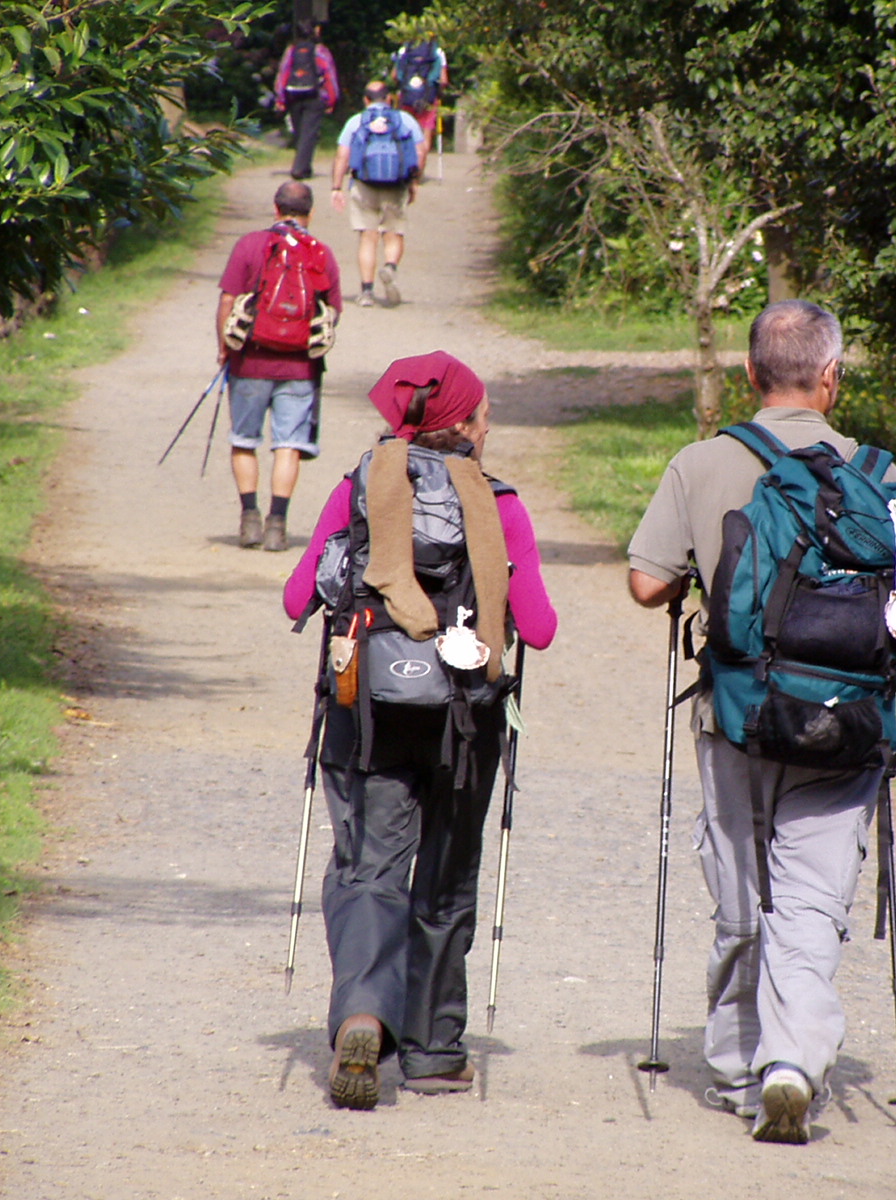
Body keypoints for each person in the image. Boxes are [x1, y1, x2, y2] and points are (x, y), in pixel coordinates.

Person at [626, 300, 896, 1146]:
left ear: (750, 374)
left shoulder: (704, 462)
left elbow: (646, 584)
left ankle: (740, 1064)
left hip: (740, 715)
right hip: (848, 723)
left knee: (743, 901)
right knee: (813, 904)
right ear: (831, 379)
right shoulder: (879, 475)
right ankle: (793, 1063)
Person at [282, 351, 558, 1109]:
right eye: (485, 412)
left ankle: (363, 1014)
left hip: (366, 712)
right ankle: (435, 1053)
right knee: (445, 874)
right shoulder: (498, 503)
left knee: (370, 867)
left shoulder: (360, 487)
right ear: (465, 423)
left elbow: (296, 595)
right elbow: (539, 625)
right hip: (465, 721)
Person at [216, 181, 341, 552]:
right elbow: (332, 313)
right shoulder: (320, 253)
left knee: (244, 441)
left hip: (249, 362)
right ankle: (277, 525)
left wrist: (224, 348)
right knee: (288, 445)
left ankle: (249, 519)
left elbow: (227, 301)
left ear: (276, 209)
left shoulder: (250, 245)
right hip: (300, 368)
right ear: (310, 213)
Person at [330, 81, 422, 308]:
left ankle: (367, 292)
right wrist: (413, 182)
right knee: (393, 233)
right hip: (396, 184)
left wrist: (336, 187)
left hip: (364, 184)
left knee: (367, 237)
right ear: (389, 98)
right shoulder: (405, 120)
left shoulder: (356, 121)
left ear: (366, 100)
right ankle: (390, 267)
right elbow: (419, 151)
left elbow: (343, 155)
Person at [273, 23, 340, 181]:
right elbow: (330, 75)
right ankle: (299, 168)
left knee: (300, 132)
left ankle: (305, 167)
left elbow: (283, 74)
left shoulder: (291, 51)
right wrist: (332, 100)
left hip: (293, 96)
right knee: (309, 133)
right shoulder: (321, 51)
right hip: (315, 97)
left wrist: (280, 98)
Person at [390, 36, 448, 177]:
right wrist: (438, 91)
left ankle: (404, 168)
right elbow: (444, 80)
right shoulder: (437, 51)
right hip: (428, 99)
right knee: (425, 133)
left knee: (404, 131)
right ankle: (419, 173)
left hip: (407, 98)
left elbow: (394, 76)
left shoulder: (405, 49)